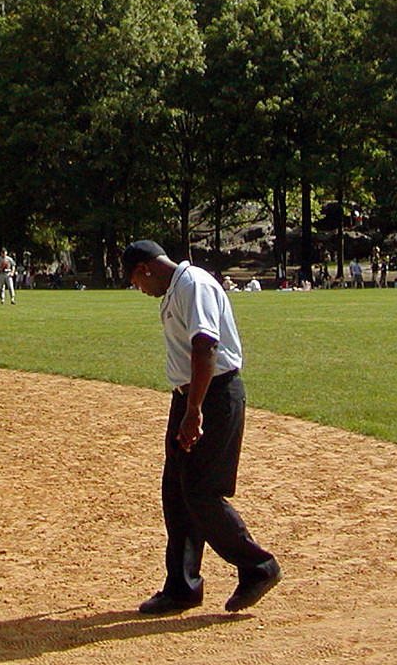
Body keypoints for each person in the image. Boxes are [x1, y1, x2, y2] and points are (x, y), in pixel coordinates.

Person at [122, 239, 281, 616]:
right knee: (177, 492)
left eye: (136, 281)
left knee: (200, 491)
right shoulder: (175, 290)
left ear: (145, 269)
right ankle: (182, 588)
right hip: (190, 396)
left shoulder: (194, 284)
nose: (140, 290)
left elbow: (206, 346)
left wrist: (194, 411)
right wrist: (186, 405)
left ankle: (258, 566)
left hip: (213, 396)